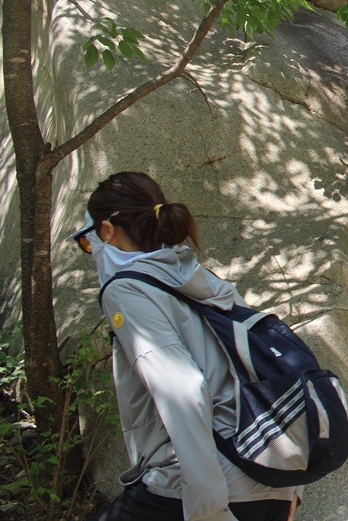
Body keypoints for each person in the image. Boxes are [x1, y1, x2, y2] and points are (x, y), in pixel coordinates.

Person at [71, 172, 301, 521]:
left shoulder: (125, 290)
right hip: (271, 480)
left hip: (201, 487)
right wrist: (292, 491)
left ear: (106, 231)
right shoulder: (200, 277)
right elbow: (267, 369)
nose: (91, 252)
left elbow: (182, 388)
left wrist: (208, 510)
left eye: (87, 243)